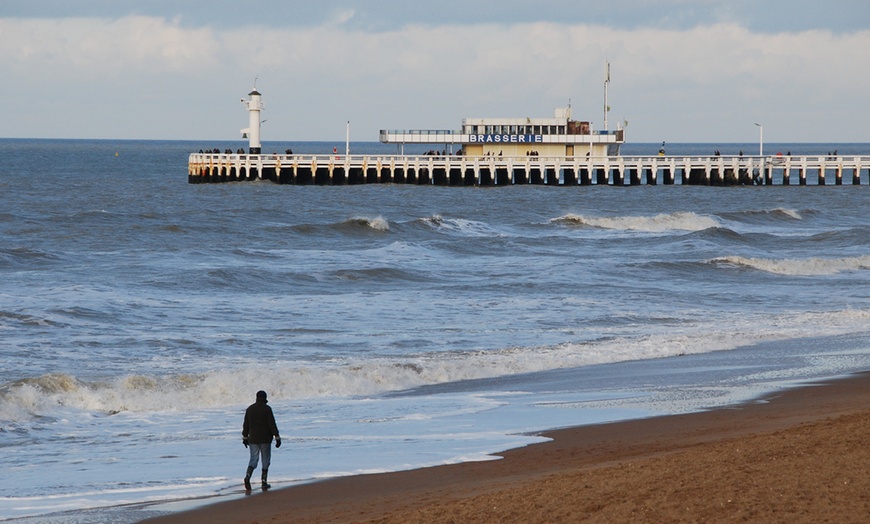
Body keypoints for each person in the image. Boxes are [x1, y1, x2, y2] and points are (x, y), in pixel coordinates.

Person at [242, 390, 281, 490]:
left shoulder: (249, 409)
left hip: (253, 438)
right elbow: (272, 424)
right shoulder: (267, 409)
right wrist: (277, 437)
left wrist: (245, 437)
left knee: (253, 459)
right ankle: (264, 482)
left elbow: (246, 425)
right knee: (265, 459)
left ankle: (247, 476)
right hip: (265, 439)